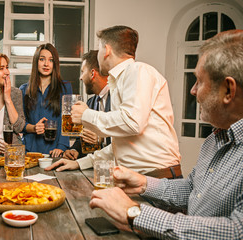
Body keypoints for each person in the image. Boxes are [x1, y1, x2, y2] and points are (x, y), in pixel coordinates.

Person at [89, 29, 243, 239]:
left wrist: (133, 213)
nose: (193, 90)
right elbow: (191, 189)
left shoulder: (138, 72)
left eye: (199, 81)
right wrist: (143, 183)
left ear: (228, 90)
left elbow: (236, 231)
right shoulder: (212, 141)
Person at [57, 26, 181, 178]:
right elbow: (119, 145)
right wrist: (79, 163)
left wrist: (86, 115)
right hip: (139, 178)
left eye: (99, 49)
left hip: (158, 178)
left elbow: (132, 123)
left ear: (107, 50)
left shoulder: (137, 70)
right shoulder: (119, 80)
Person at [19, 43, 72, 157]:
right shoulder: (24, 90)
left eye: (51, 60)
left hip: (55, 152)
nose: (46, 64)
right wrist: (33, 128)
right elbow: (19, 123)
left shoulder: (65, 87)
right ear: (36, 62)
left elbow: (68, 120)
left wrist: (61, 147)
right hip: (30, 151)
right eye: (42, 59)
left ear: (55, 64)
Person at [62, 50, 111, 160]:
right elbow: (83, 137)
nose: (80, 78)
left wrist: (102, 138)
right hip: (93, 167)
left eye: (82, 72)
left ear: (92, 73)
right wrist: (74, 150)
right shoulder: (90, 102)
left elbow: (124, 136)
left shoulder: (117, 99)